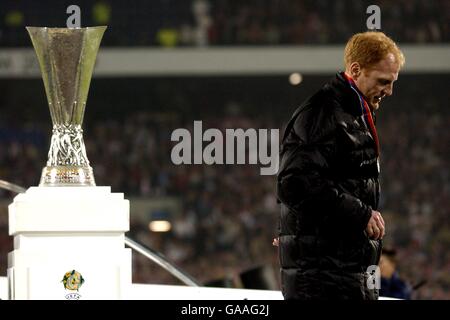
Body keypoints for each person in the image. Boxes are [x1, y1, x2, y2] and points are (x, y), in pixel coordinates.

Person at [276, 31, 405, 300]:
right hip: (324, 280)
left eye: (393, 82)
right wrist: (361, 214)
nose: (390, 91)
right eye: (384, 81)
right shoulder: (323, 114)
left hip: (341, 272)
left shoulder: (351, 113)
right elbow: (294, 184)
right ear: (356, 70)